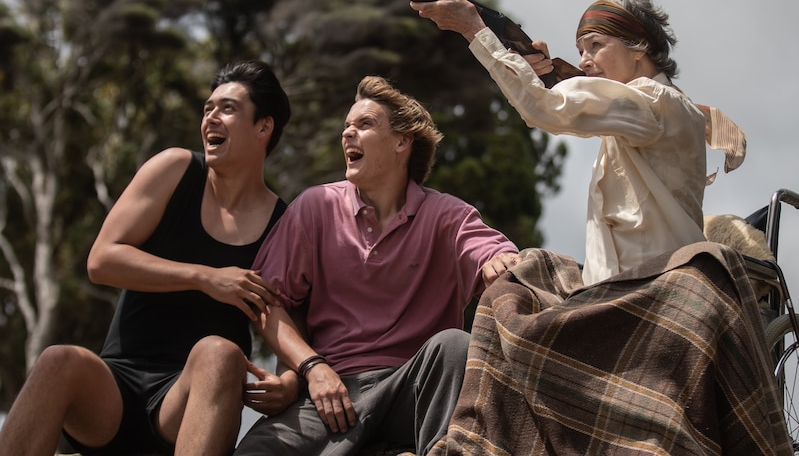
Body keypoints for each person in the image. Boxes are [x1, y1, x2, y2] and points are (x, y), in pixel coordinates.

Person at [0, 60, 295, 456]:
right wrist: (205, 277)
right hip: (114, 393)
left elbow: (291, 321)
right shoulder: (174, 168)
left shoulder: (283, 223)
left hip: (187, 402)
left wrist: (291, 381)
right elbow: (102, 260)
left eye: (227, 108)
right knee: (58, 360)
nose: (211, 118)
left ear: (264, 127)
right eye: (207, 108)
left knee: (221, 352)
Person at [234, 75, 519, 456]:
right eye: (346, 126)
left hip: (414, 389)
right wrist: (312, 369)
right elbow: (267, 301)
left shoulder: (448, 214)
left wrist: (498, 262)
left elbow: (494, 253)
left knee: (453, 345)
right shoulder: (314, 207)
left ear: (402, 141)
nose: (348, 134)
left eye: (364, 124)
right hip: (332, 392)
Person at [411, 0, 745, 285]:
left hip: (651, 284)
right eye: (581, 50)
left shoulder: (654, 101)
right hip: (622, 284)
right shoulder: (649, 106)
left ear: (639, 46)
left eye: (596, 45)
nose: (584, 61)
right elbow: (559, 103)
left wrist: (474, 30)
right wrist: (533, 73)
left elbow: (546, 109)